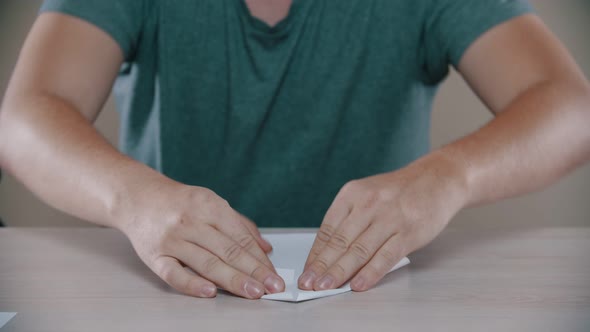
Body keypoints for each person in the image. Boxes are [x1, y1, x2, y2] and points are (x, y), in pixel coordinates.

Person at [0, 0, 589, 300]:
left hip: (378, 304)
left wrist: (450, 175)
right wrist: (132, 198)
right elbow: (25, 117)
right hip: (165, 295)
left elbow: (572, 108)